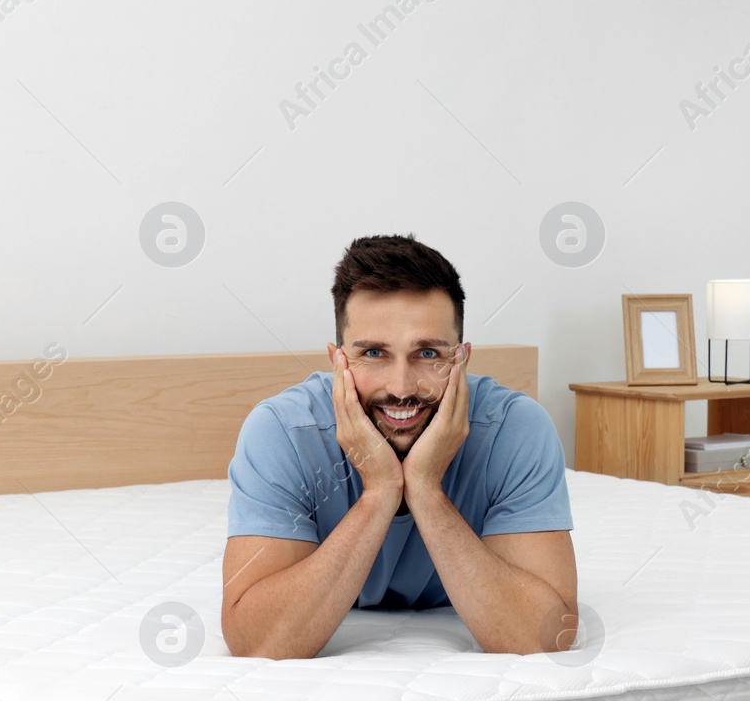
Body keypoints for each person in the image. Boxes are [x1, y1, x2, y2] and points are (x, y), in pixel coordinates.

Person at [222, 234, 577, 659]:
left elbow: (542, 637)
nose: (402, 388)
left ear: (461, 358)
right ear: (338, 360)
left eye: (428, 353)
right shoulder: (282, 432)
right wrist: (379, 493)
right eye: (373, 353)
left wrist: (425, 488)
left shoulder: (517, 429)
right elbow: (256, 642)